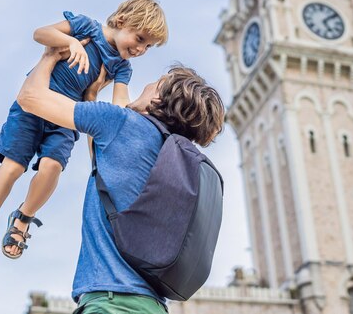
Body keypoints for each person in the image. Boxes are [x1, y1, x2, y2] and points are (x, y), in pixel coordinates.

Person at [0, 0, 168, 271]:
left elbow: (120, 103)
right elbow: (40, 33)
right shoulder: (85, 27)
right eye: (140, 38)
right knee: (13, 167)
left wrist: (127, 116)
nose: (141, 49)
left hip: (66, 116)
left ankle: (24, 216)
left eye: (148, 46)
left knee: (52, 167)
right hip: (32, 106)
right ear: (121, 21)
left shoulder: (121, 67)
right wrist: (67, 42)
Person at [16, 47, 225, 314]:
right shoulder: (170, 157)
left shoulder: (121, 124)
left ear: (159, 96)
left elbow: (30, 98)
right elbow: (102, 160)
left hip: (111, 304)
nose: (148, 84)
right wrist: (93, 94)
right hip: (151, 306)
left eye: (156, 82)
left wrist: (49, 56)